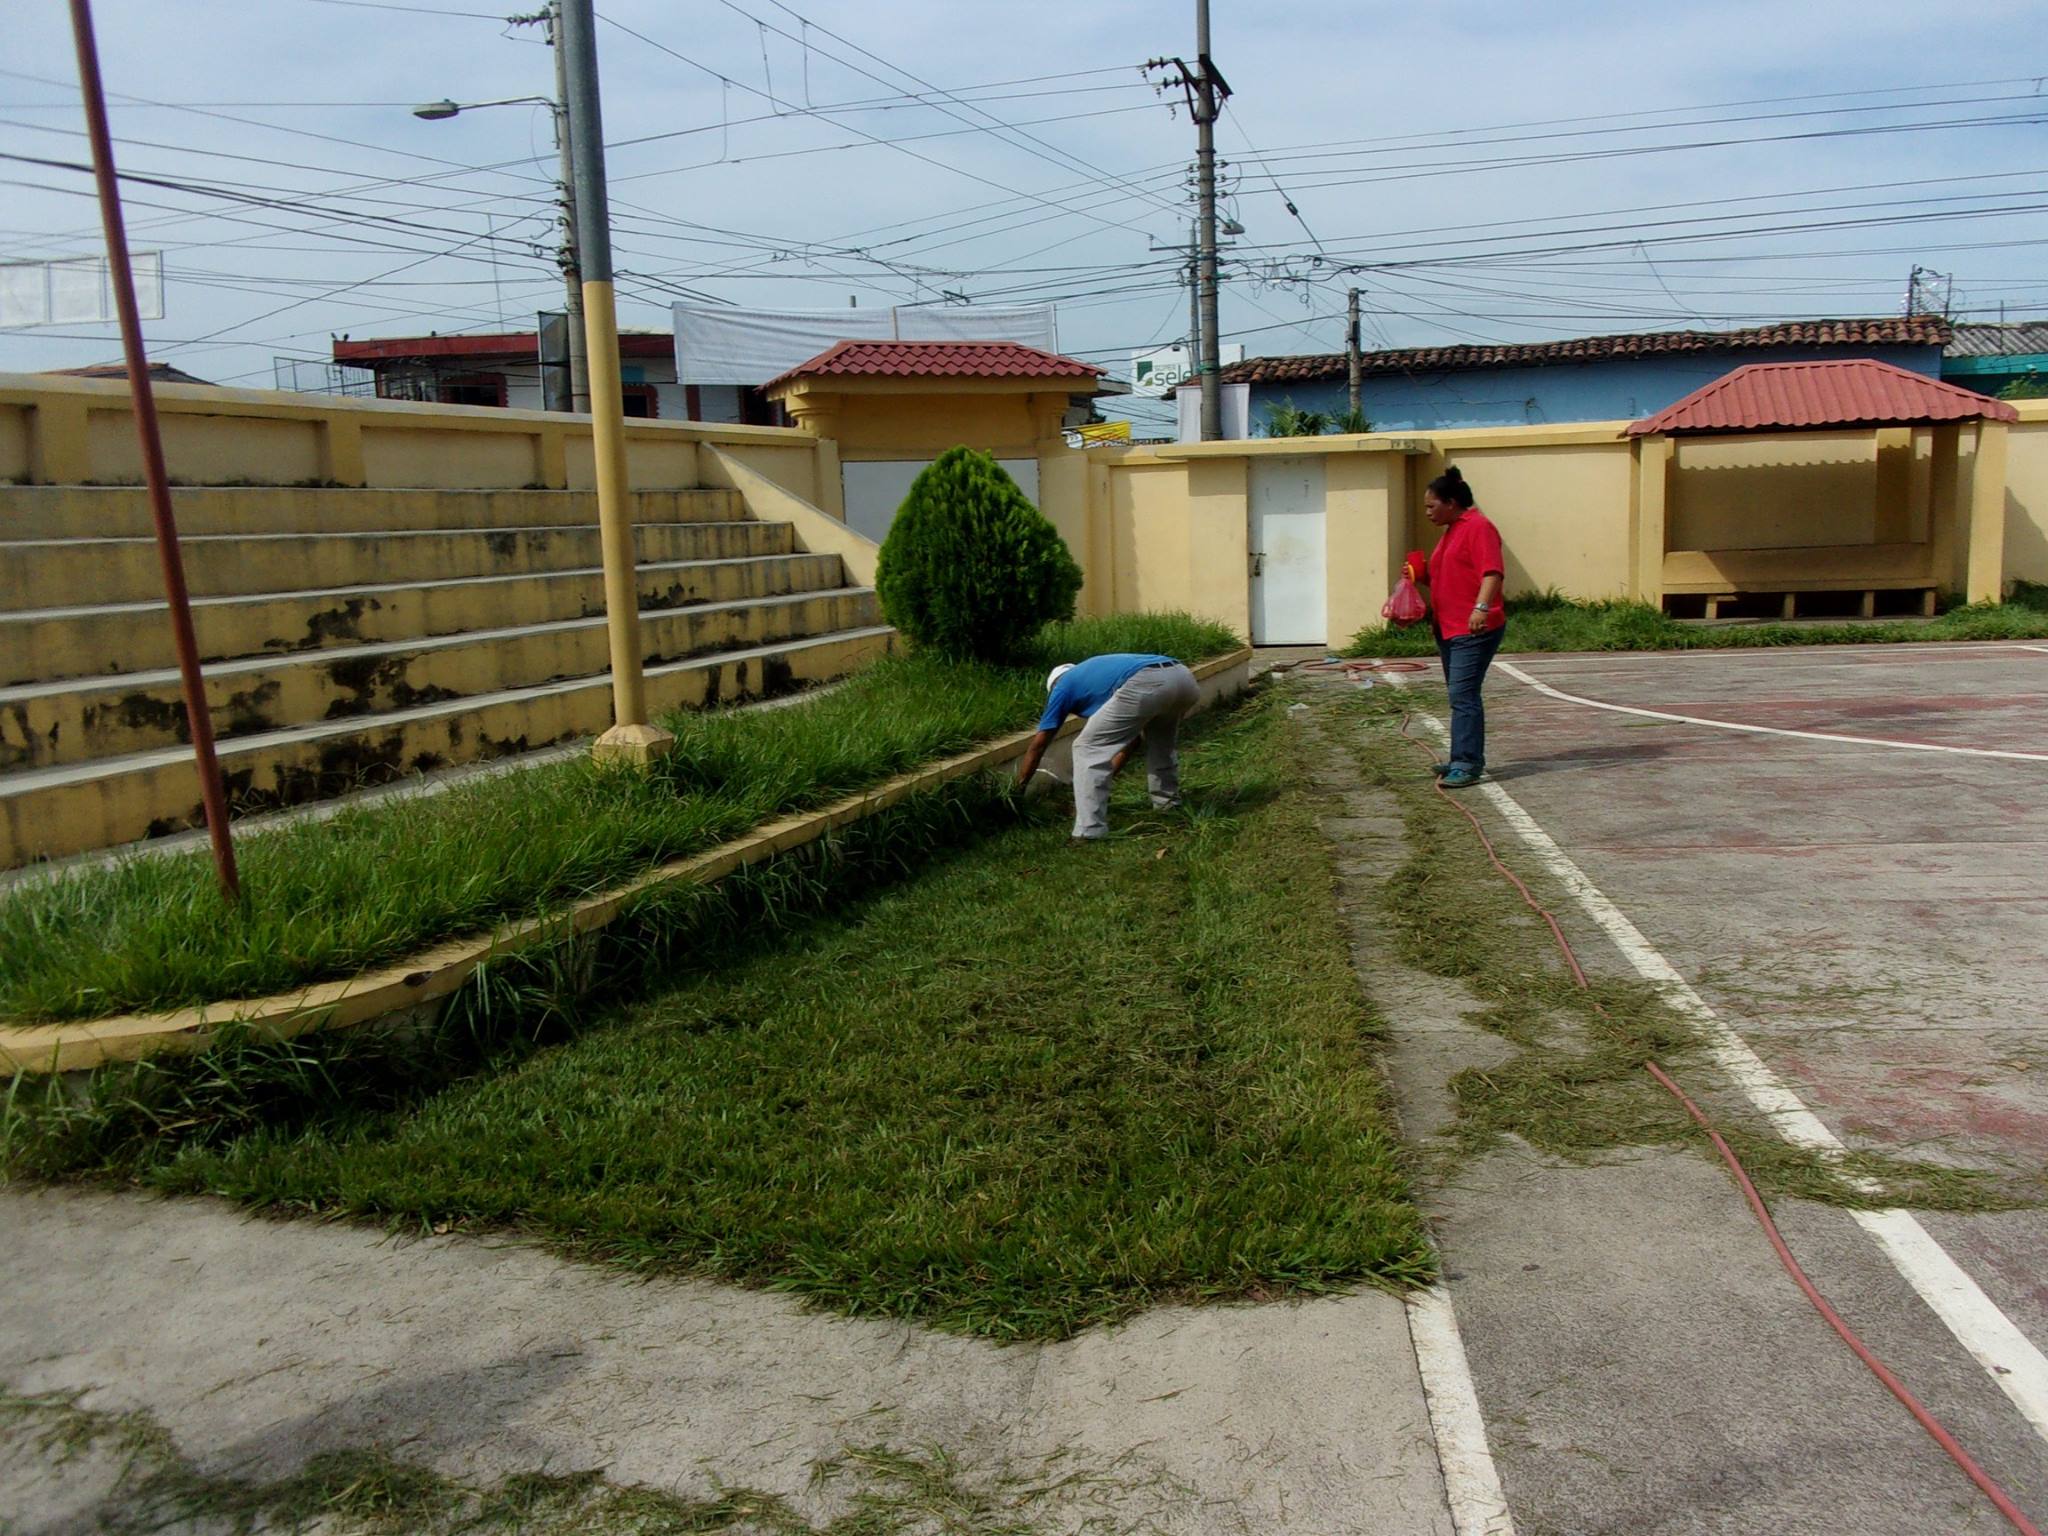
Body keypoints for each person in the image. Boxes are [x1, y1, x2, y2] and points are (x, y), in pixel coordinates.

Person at [1013, 653, 1200, 840]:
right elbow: (1131, 742)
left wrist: (1018, 790)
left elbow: (1038, 745)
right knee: (1162, 745)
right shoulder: (1094, 677)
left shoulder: (1062, 686)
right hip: (1182, 677)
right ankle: (1168, 805)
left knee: (1087, 748)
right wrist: (1102, 782)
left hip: (1147, 682)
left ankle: (1089, 830)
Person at [1405, 465, 1507, 787]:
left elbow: (1492, 572)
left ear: (1451, 503)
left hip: (1472, 629)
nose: (1427, 513)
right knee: (1459, 695)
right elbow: (1448, 575)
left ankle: (1467, 762)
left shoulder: (1479, 527)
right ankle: (1461, 755)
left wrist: (1481, 607)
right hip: (1448, 628)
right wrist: (1418, 576)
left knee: (1463, 695)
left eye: (1431, 506)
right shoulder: (1452, 531)